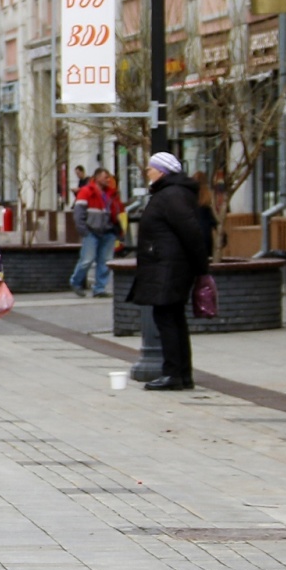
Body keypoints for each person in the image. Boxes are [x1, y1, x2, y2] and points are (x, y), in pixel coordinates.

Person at [125, 151, 211, 391]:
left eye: (151, 168)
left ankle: (174, 373)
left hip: (169, 267)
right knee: (172, 318)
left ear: (162, 171)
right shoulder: (171, 193)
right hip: (169, 265)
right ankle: (181, 374)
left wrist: (201, 268)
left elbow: (190, 231)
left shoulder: (171, 195)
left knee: (167, 318)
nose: (147, 172)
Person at [69, 167, 122, 298]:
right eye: (106, 177)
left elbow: (118, 211)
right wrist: (84, 231)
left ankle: (99, 288)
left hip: (108, 231)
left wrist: (117, 229)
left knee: (105, 261)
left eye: (109, 177)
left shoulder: (112, 193)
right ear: (97, 178)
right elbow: (79, 213)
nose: (108, 180)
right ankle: (75, 282)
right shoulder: (86, 192)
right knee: (87, 260)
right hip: (91, 231)